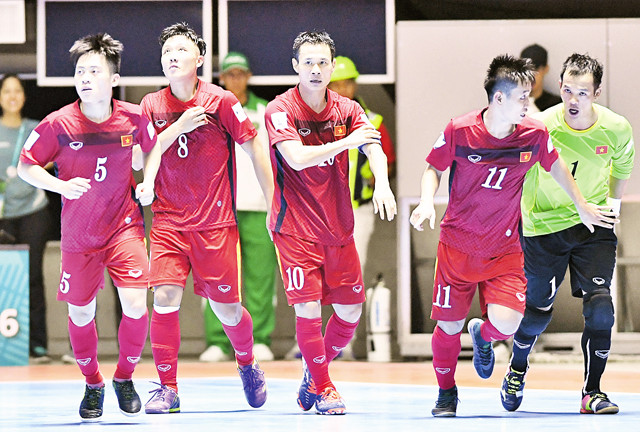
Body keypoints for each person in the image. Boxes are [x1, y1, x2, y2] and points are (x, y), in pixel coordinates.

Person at [409, 54, 614, 418]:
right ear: (499, 98)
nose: (527, 103)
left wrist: (581, 205)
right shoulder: (460, 130)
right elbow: (433, 168)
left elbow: (556, 165)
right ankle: (446, 392)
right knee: (448, 326)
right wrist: (426, 202)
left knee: (508, 322)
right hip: (457, 246)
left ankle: (483, 336)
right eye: (522, 97)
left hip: (504, 248)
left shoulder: (533, 134)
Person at [17, 33, 162, 421]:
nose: (84, 77)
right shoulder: (58, 123)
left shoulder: (134, 117)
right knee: (81, 315)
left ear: (114, 79)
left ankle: (124, 378)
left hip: (124, 227)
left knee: (136, 305)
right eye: (80, 71)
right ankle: (93, 382)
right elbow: (26, 167)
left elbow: (153, 148)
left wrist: (147, 181)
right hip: (79, 235)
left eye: (94, 71)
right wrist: (60, 186)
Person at [140, 23, 272, 414]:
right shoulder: (151, 105)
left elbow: (253, 148)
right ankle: (167, 388)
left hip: (215, 224)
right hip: (168, 222)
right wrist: (176, 129)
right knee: (164, 298)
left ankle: (247, 362)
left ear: (199, 58)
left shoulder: (221, 101)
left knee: (227, 309)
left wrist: (273, 202)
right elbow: (139, 156)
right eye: (166, 51)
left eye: (181, 49)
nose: (172, 56)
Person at [265, 31, 396, 415]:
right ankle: (324, 388)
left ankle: (314, 369)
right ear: (296, 66)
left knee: (350, 312)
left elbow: (371, 143)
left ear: (332, 66)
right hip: (294, 228)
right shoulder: (280, 109)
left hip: (338, 226)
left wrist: (383, 184)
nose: (316, 69)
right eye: (308, 62)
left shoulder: (348, 109)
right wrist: (345, 143)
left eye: (323, 62)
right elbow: (296, 158)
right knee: (307, 308)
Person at [501, 53, 633, 415]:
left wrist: (612, 209)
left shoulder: (616, 128)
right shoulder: (539, 127)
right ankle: (516, 369)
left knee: (601, 309)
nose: (574, 100)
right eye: (568, 91)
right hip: (543, 227)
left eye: (583, 93)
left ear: (597, 93)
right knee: (538, 313)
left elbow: (622, 166)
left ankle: (592, 392)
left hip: (592, 225)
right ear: (559, 87)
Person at [199, 51, 277, 363]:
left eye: (240, 74)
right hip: (218, 208)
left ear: (248, 76)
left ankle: (260, 338)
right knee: (218, 277)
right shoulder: (207, 111)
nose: (235, 79)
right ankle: (218, 341)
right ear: (221, 78)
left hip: (258, 205)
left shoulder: (265, 111)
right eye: (229, 74)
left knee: (261, 277)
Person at [0, 74, 51, 363]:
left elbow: (54, 156)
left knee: (33, 276)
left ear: (24, 95)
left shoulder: (34, 129)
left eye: (17, 91)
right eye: (6, 91)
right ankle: (7, 345)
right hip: (3, 215)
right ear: (0, 97)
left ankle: (38, 344)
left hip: (33, 212)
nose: (12, 96)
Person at [520, 44, 562, 113]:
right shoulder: (512, 102)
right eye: (526, 70)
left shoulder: (556, 105)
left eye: (535, 70)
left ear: (546, 69)